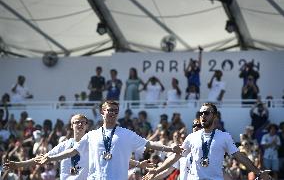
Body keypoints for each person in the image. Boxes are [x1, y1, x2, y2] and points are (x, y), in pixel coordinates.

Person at [37, 100, 182, 180]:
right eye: (109, 110)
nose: (112, 113)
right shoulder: (92, 135)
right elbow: (72, 151)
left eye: (115, 111)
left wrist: (170, 149)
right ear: (102, 112)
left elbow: (149, 143)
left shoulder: (126, 134)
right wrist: (50, 158)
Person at [143, 102, 271, 180]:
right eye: (201, 113)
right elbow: (175, 157)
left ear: (214, 116)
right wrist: (156, 170)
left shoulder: (224, 136)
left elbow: (240, 157)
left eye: (207, 113)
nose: (203, 116)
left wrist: (258, 172)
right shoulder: (191, 137)